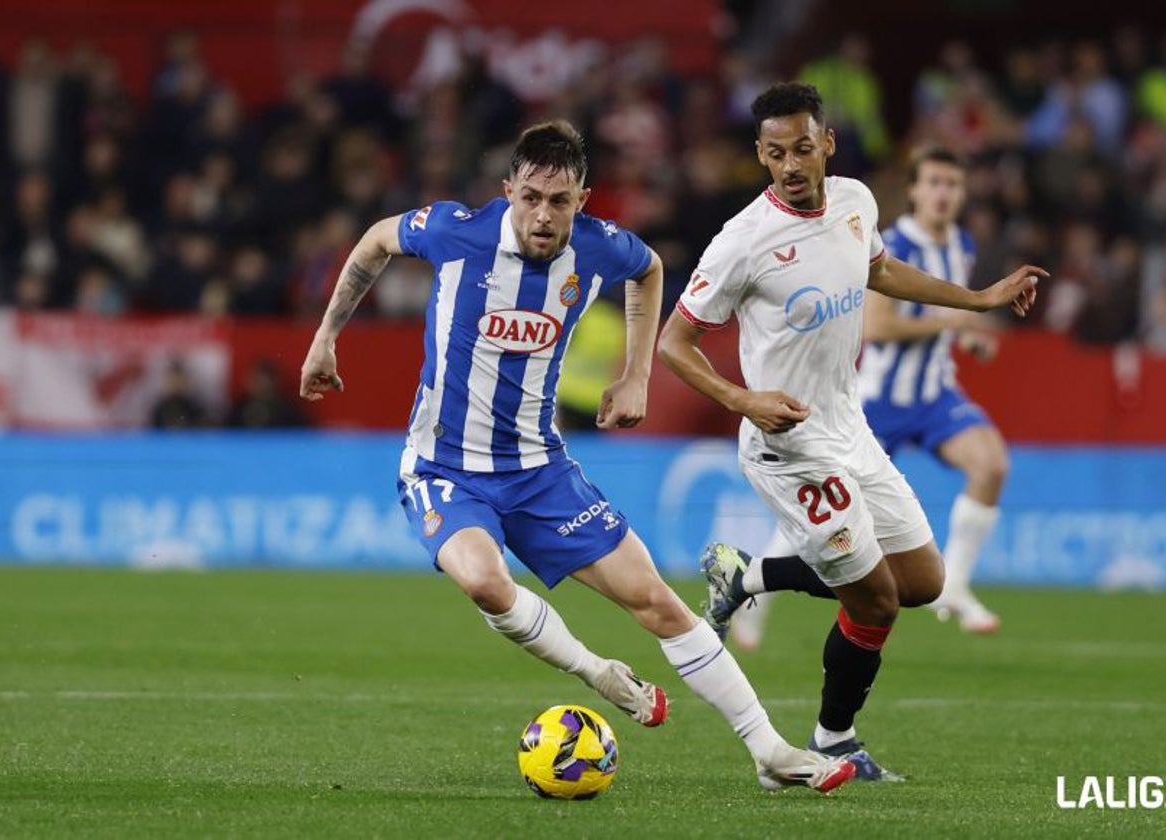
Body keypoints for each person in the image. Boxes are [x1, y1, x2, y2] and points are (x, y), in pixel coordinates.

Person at [299, 121, 853, 793]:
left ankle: (770, 752)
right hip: (444, 468)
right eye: (530, 197)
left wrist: (637, 373)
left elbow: (649, 270)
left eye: (558, 202)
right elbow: (375, 240)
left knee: (658, 602)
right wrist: (327, 336)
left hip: (539, 470)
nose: (542, 215)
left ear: (582, 200)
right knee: (482, 579)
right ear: (508, 192)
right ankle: (598, 672)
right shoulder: (457, 232)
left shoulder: (598, 249)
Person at [656, 84, 1041, 781]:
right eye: (775, 154)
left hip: (848, 424)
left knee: (923, 581)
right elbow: (675, 342)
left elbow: (881, 271)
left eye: (803, 148)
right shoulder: (742, 241)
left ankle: (749, 575)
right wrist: (742, 399)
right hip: (787, 446)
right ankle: (834, 739)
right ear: (761, 157)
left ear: (827, 142)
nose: (791, 165)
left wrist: (977, 298)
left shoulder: (857, 201)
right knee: (876, 600)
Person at [729, 146, 1008, 646]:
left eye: (953, 184)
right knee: (815, 525)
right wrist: (957, 317)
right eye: (935, 183)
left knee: (990, 465)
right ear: (915, 190)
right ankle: (754, 594)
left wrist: (965, 338)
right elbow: (878, 327)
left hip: (935, 394)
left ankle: (957, 586)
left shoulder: (961, 246)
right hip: (873, 401)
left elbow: (937, 322)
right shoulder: (887, 236)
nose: (944, 194)